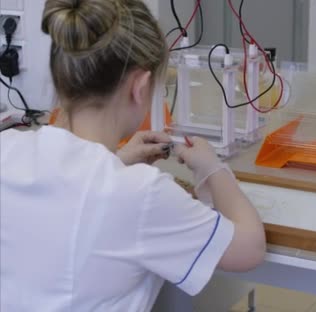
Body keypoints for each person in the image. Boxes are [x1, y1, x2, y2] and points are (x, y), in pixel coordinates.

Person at [0, 0, 266, 311]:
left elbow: (72, 193)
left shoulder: (8, 150)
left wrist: (116, 161)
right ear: (140, 87)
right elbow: (249, 249)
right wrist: (213, 169)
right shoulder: (142, 193)